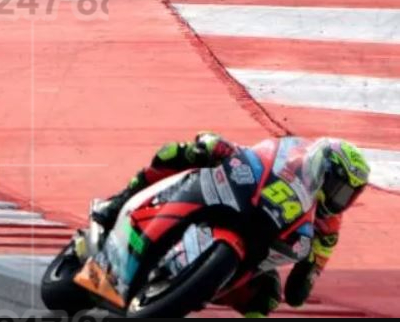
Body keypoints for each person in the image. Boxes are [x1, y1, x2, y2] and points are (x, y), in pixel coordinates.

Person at [92, 133, 371, 317]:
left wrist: (307, 275)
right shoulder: (295, 159)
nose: (339, 199)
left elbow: (303, 285)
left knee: (269, 296)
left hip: (258, 246)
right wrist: (225, 149)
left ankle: (188, 287)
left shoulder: (329, 226)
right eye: (338, 188)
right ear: (321, 168)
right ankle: (118, 202)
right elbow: (261, 155)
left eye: (347, 195)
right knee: (191, 150)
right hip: (244, 198)